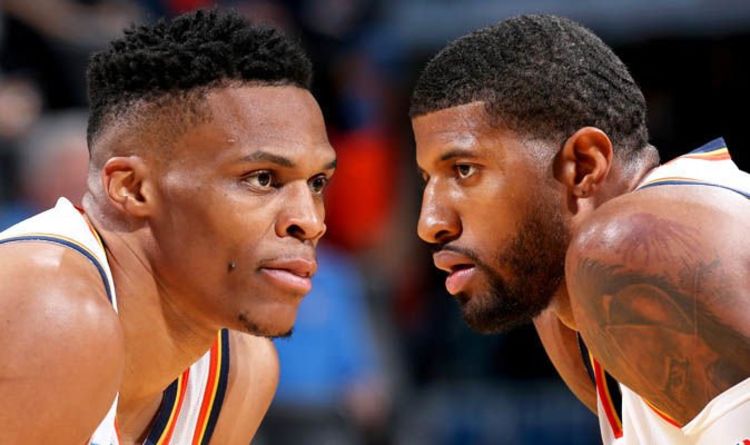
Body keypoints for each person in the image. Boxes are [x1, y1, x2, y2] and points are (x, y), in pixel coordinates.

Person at [0, 9, 336, 444]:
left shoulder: (240, 368)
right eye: (262, 179)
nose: (310, 221)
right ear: (131, 188)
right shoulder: (49, 309)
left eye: (317, 183)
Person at [410, 14, 750, 445]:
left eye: (464, 169)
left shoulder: (626, 249)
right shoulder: (569, 305)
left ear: (583, 165)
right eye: (427, 179)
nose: (429, 223)